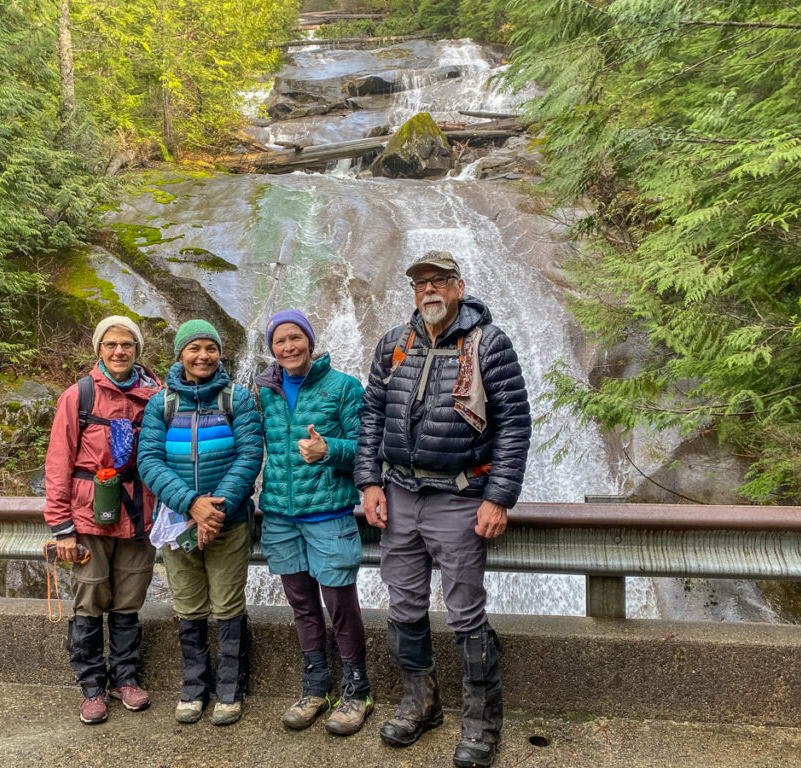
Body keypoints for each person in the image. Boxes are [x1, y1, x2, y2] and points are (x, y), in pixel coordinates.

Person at [354, 252, 531, 768]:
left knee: (465, 613)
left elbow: (515, 424)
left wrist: (499, 497)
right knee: (404, 607)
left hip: (460, 496)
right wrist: (369, 482)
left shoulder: (489, 344)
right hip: (400, 495)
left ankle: (481, 723)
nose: (429, 290)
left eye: (438, 282)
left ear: (458, 286)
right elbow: (371, 416)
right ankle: (420, 703)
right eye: (420, 283)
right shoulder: (394, 344)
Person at [136, 320, 263, 727]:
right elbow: (149, 461)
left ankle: (229, 687)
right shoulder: (162, 403)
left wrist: (214, 511)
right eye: (194, 348)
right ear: (180, 355)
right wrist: (192, 505)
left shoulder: (237, 398)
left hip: (228, 521)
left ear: (220, 353)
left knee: (227, 605)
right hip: (177, 523)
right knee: (187, 605)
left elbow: (249, 457)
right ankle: (194, 687)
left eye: (210, 348)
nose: (203, 356)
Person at [255, 310, 373, 735]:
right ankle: (316, 686)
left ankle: (358, 689)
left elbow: (367, 446)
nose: (289, 347)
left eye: (295, 338)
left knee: (340, 606)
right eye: (280, 341)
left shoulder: (343, 387)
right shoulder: (265, 391)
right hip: (281, 517)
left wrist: (330, 450)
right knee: (302, 606)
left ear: (309, 339)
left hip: (328, 514)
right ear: (271, 348)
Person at [43, 315, 162, 725]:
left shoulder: (155, 395)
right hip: (89, 518)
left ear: (137, 350)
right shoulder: (79, 396)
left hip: (138, 514)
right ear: (99, 350)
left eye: (126, 345)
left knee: (129, 601)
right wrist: (61, 527)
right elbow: (58, 465)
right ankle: (91, 686)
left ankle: (124, 679)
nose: (118, 352)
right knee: (90, 600)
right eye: (110, 344)